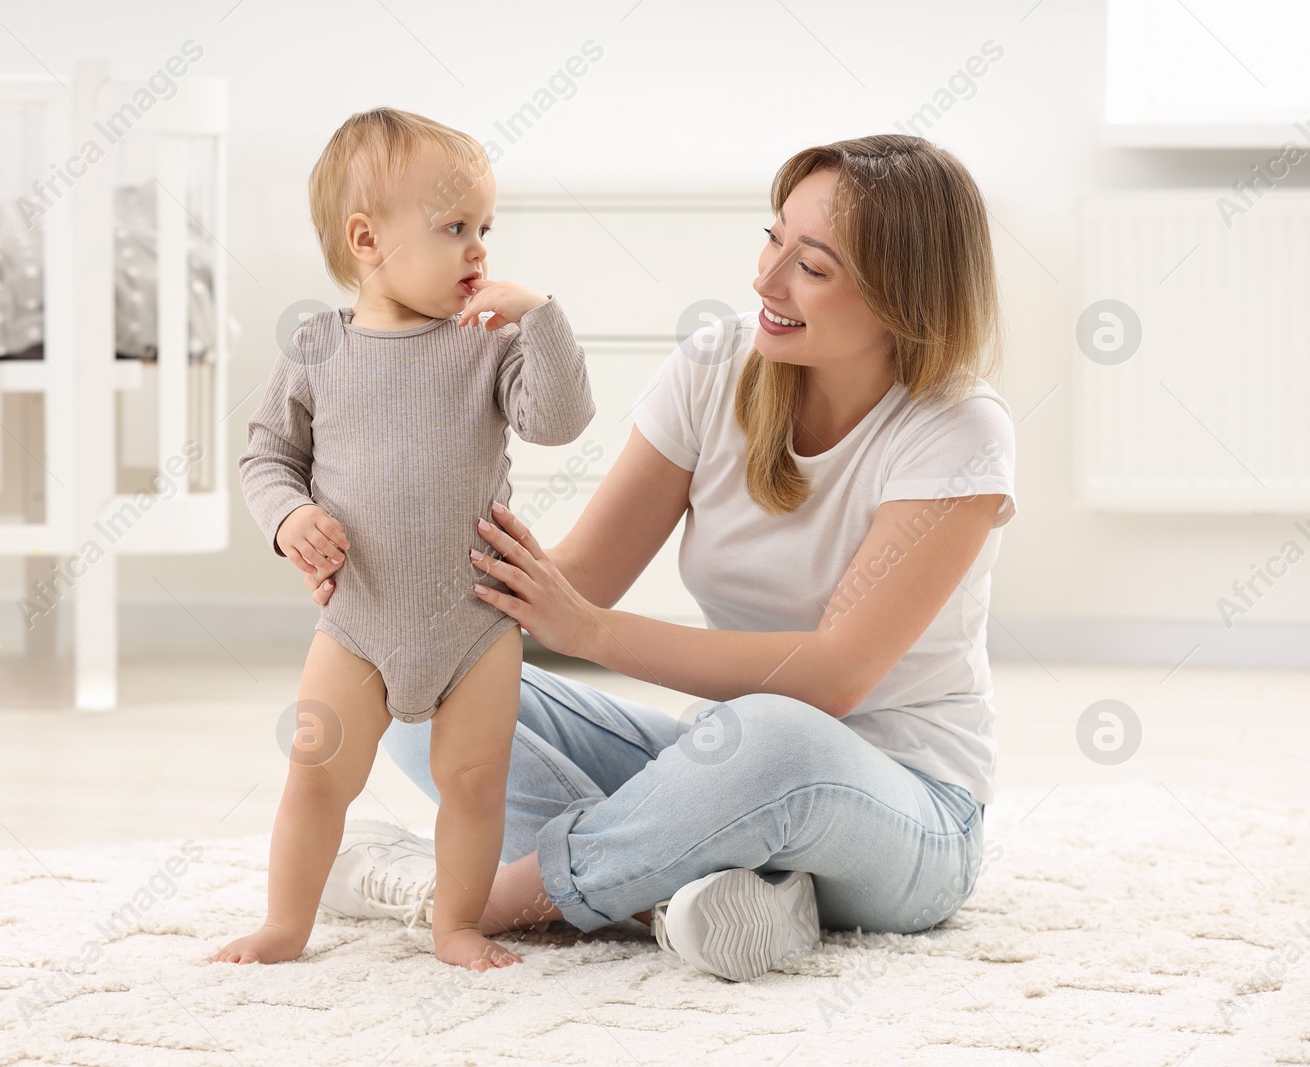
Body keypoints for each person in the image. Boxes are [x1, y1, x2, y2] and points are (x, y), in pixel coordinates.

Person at [305, 134, 1017, 982]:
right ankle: (705, 889)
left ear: (906, 297)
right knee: (434, 690)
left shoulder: (960, 429)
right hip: (720, 765)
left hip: (909, 813)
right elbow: (579, 580)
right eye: (772, 237)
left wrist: (596, 633)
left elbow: (831, 679)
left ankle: (480, 895)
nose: (766, 278)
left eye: (813, 267)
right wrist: (383, 580)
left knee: (777, 735)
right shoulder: (717, 364)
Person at [217, 107, 595, 971]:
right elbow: (268, 453)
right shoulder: (316, 347)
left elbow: (560, 420)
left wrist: (537, 314)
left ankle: (457, 922)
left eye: (485, 229)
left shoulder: (488, 346)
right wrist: (287, 518)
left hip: (474, 620)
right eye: (455, 227)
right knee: (317, 775)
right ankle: (285, 924)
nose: (478, 250)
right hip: (360, 621)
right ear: (367, 239)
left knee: (471, 785)